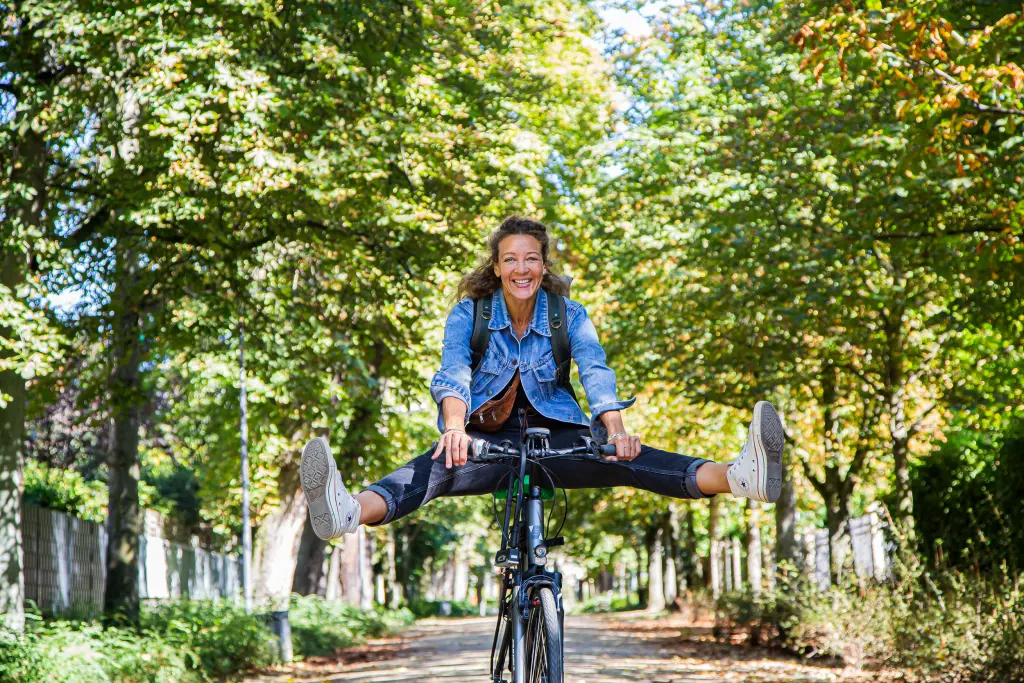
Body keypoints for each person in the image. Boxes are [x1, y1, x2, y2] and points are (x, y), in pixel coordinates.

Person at [300, 215, 784, 540]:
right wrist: (454, 429)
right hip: (485, 443)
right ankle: (347, 511)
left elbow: (595, 370)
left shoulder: (568, 315)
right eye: (510, 259)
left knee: (634, 460)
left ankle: (741, 477)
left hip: (558, 439)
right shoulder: (468, 314)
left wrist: (616, 432)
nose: (521, 268)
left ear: (543, 265)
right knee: (430, 471)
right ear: (497, 267)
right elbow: (454, 372)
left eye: (531, 258)